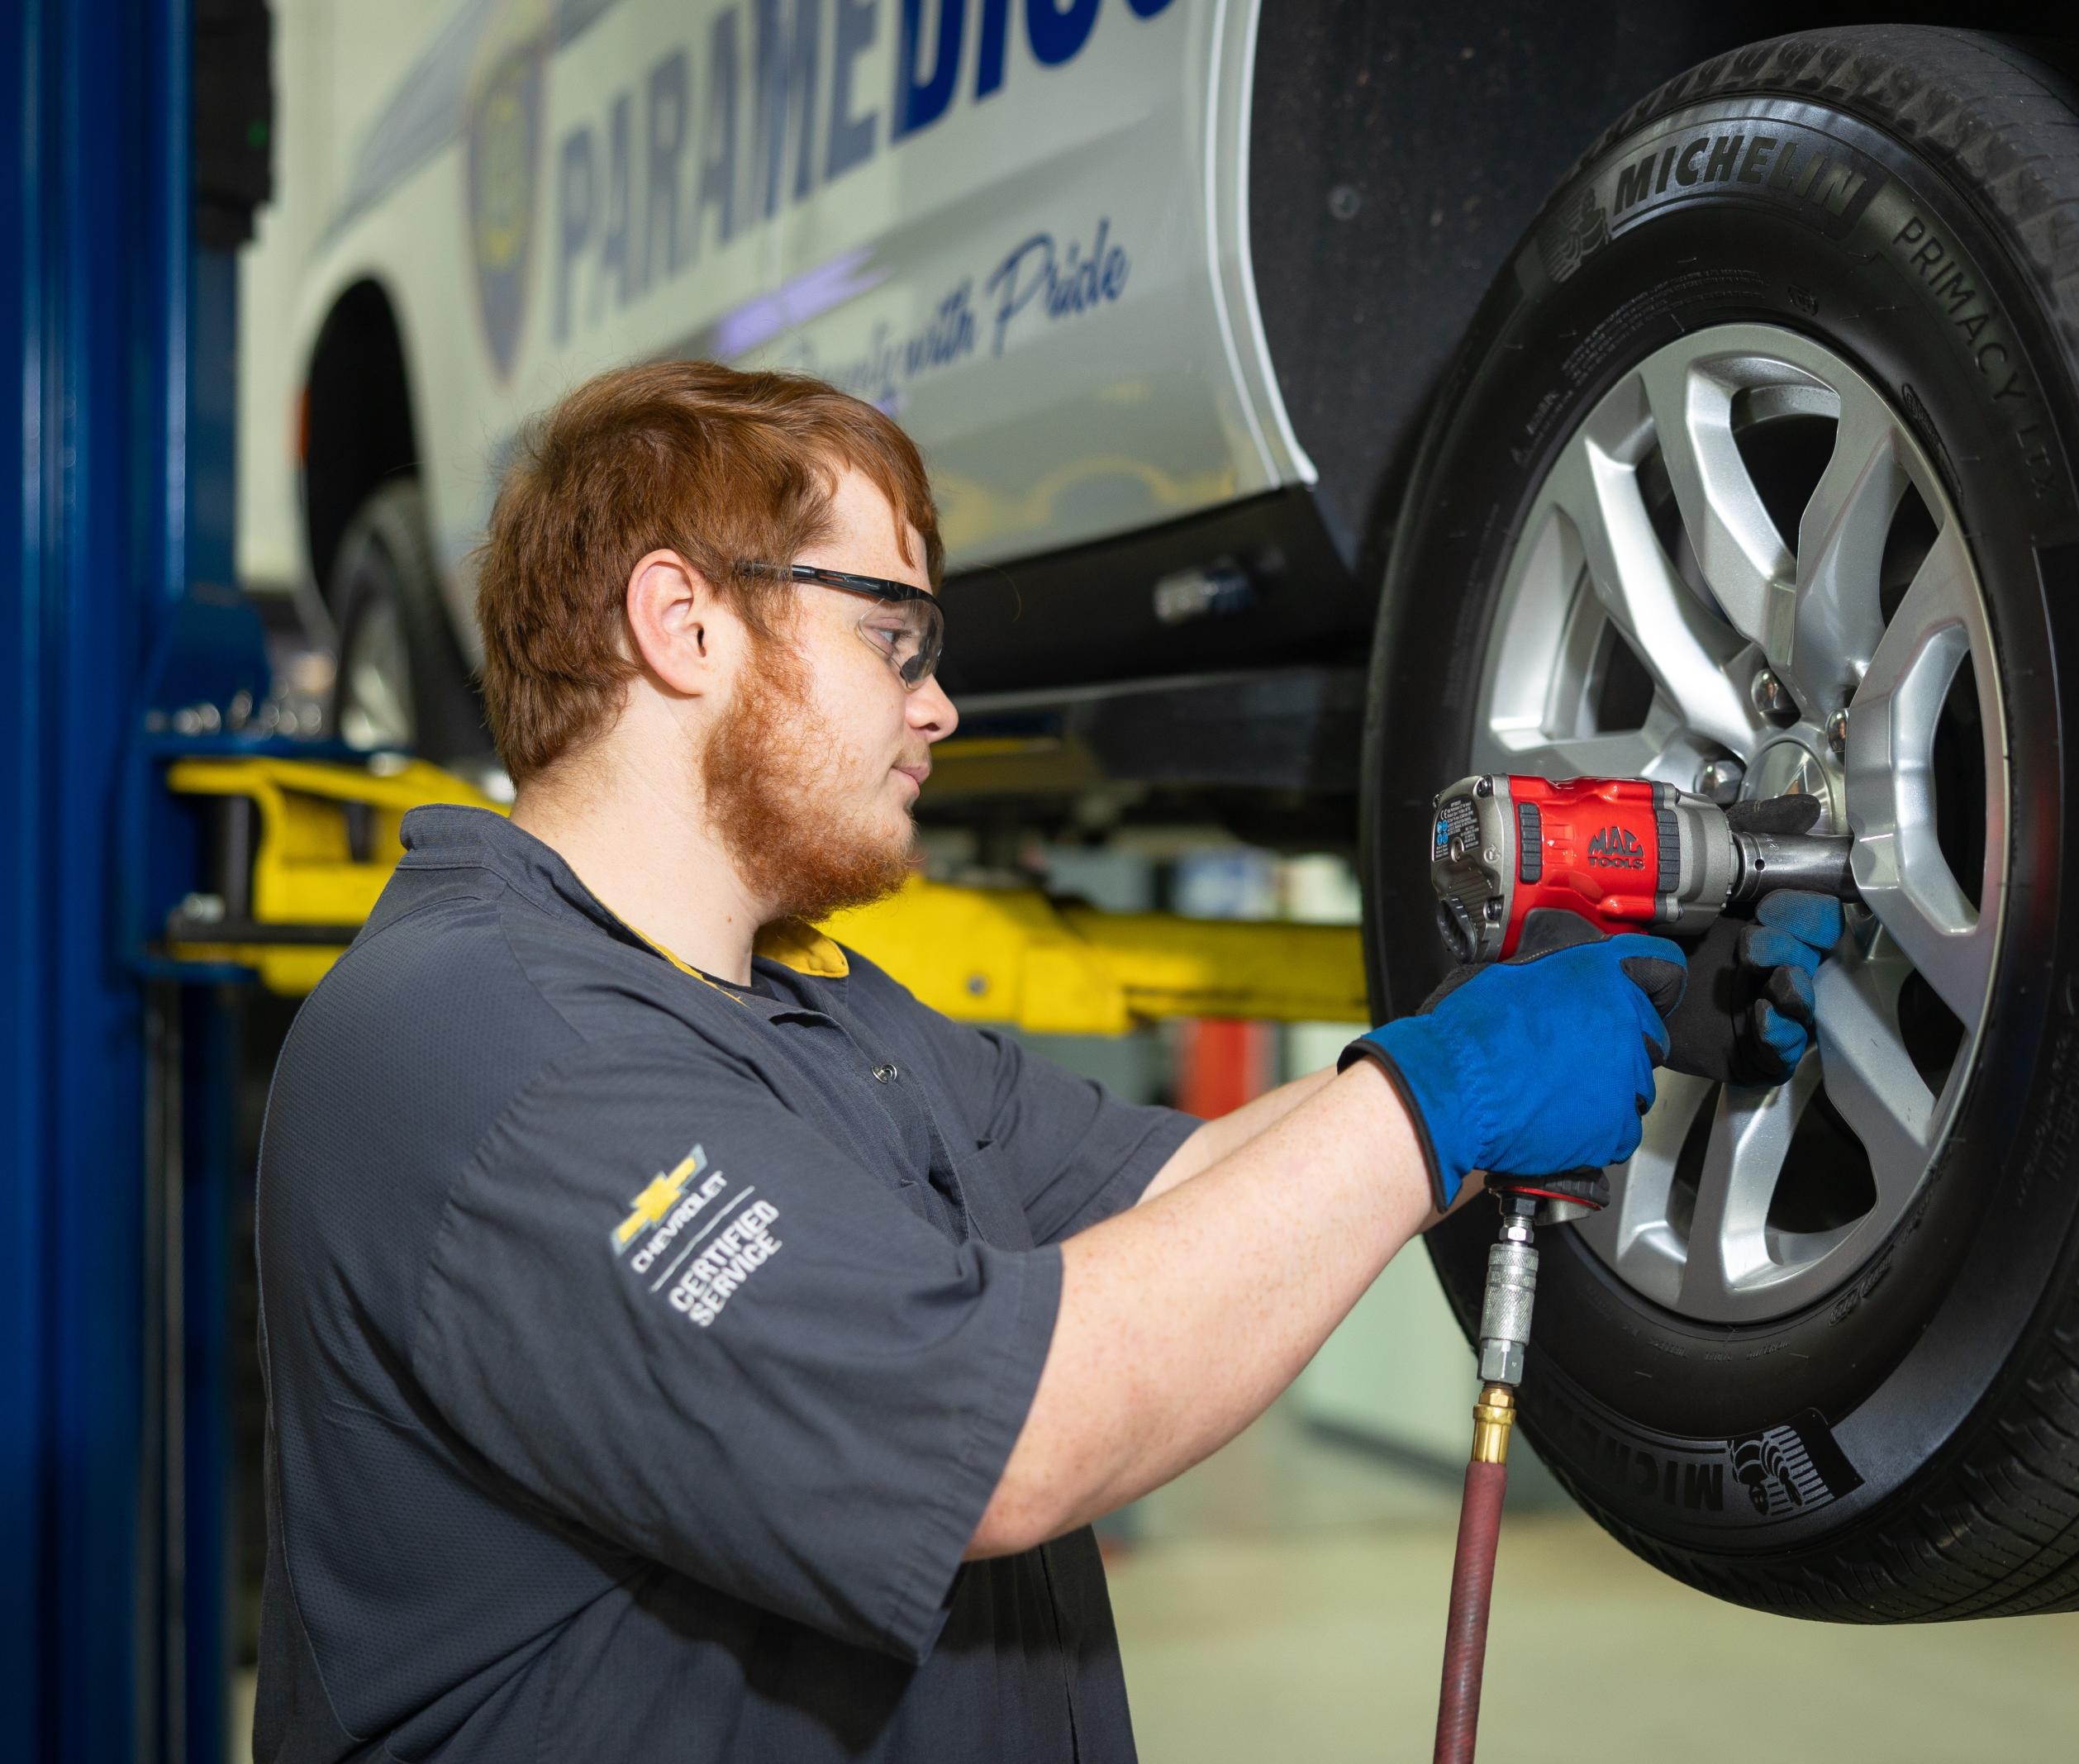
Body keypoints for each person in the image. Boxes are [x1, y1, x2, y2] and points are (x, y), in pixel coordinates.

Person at [252, 361, 1828, 1762]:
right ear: (684, 623)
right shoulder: (490, 1045)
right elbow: (1002, 1440)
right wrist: (1446, 1101)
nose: (938, 706)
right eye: (894, 634)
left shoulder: (816, 1010)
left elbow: (1186, 1189)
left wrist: (1575, 1009)